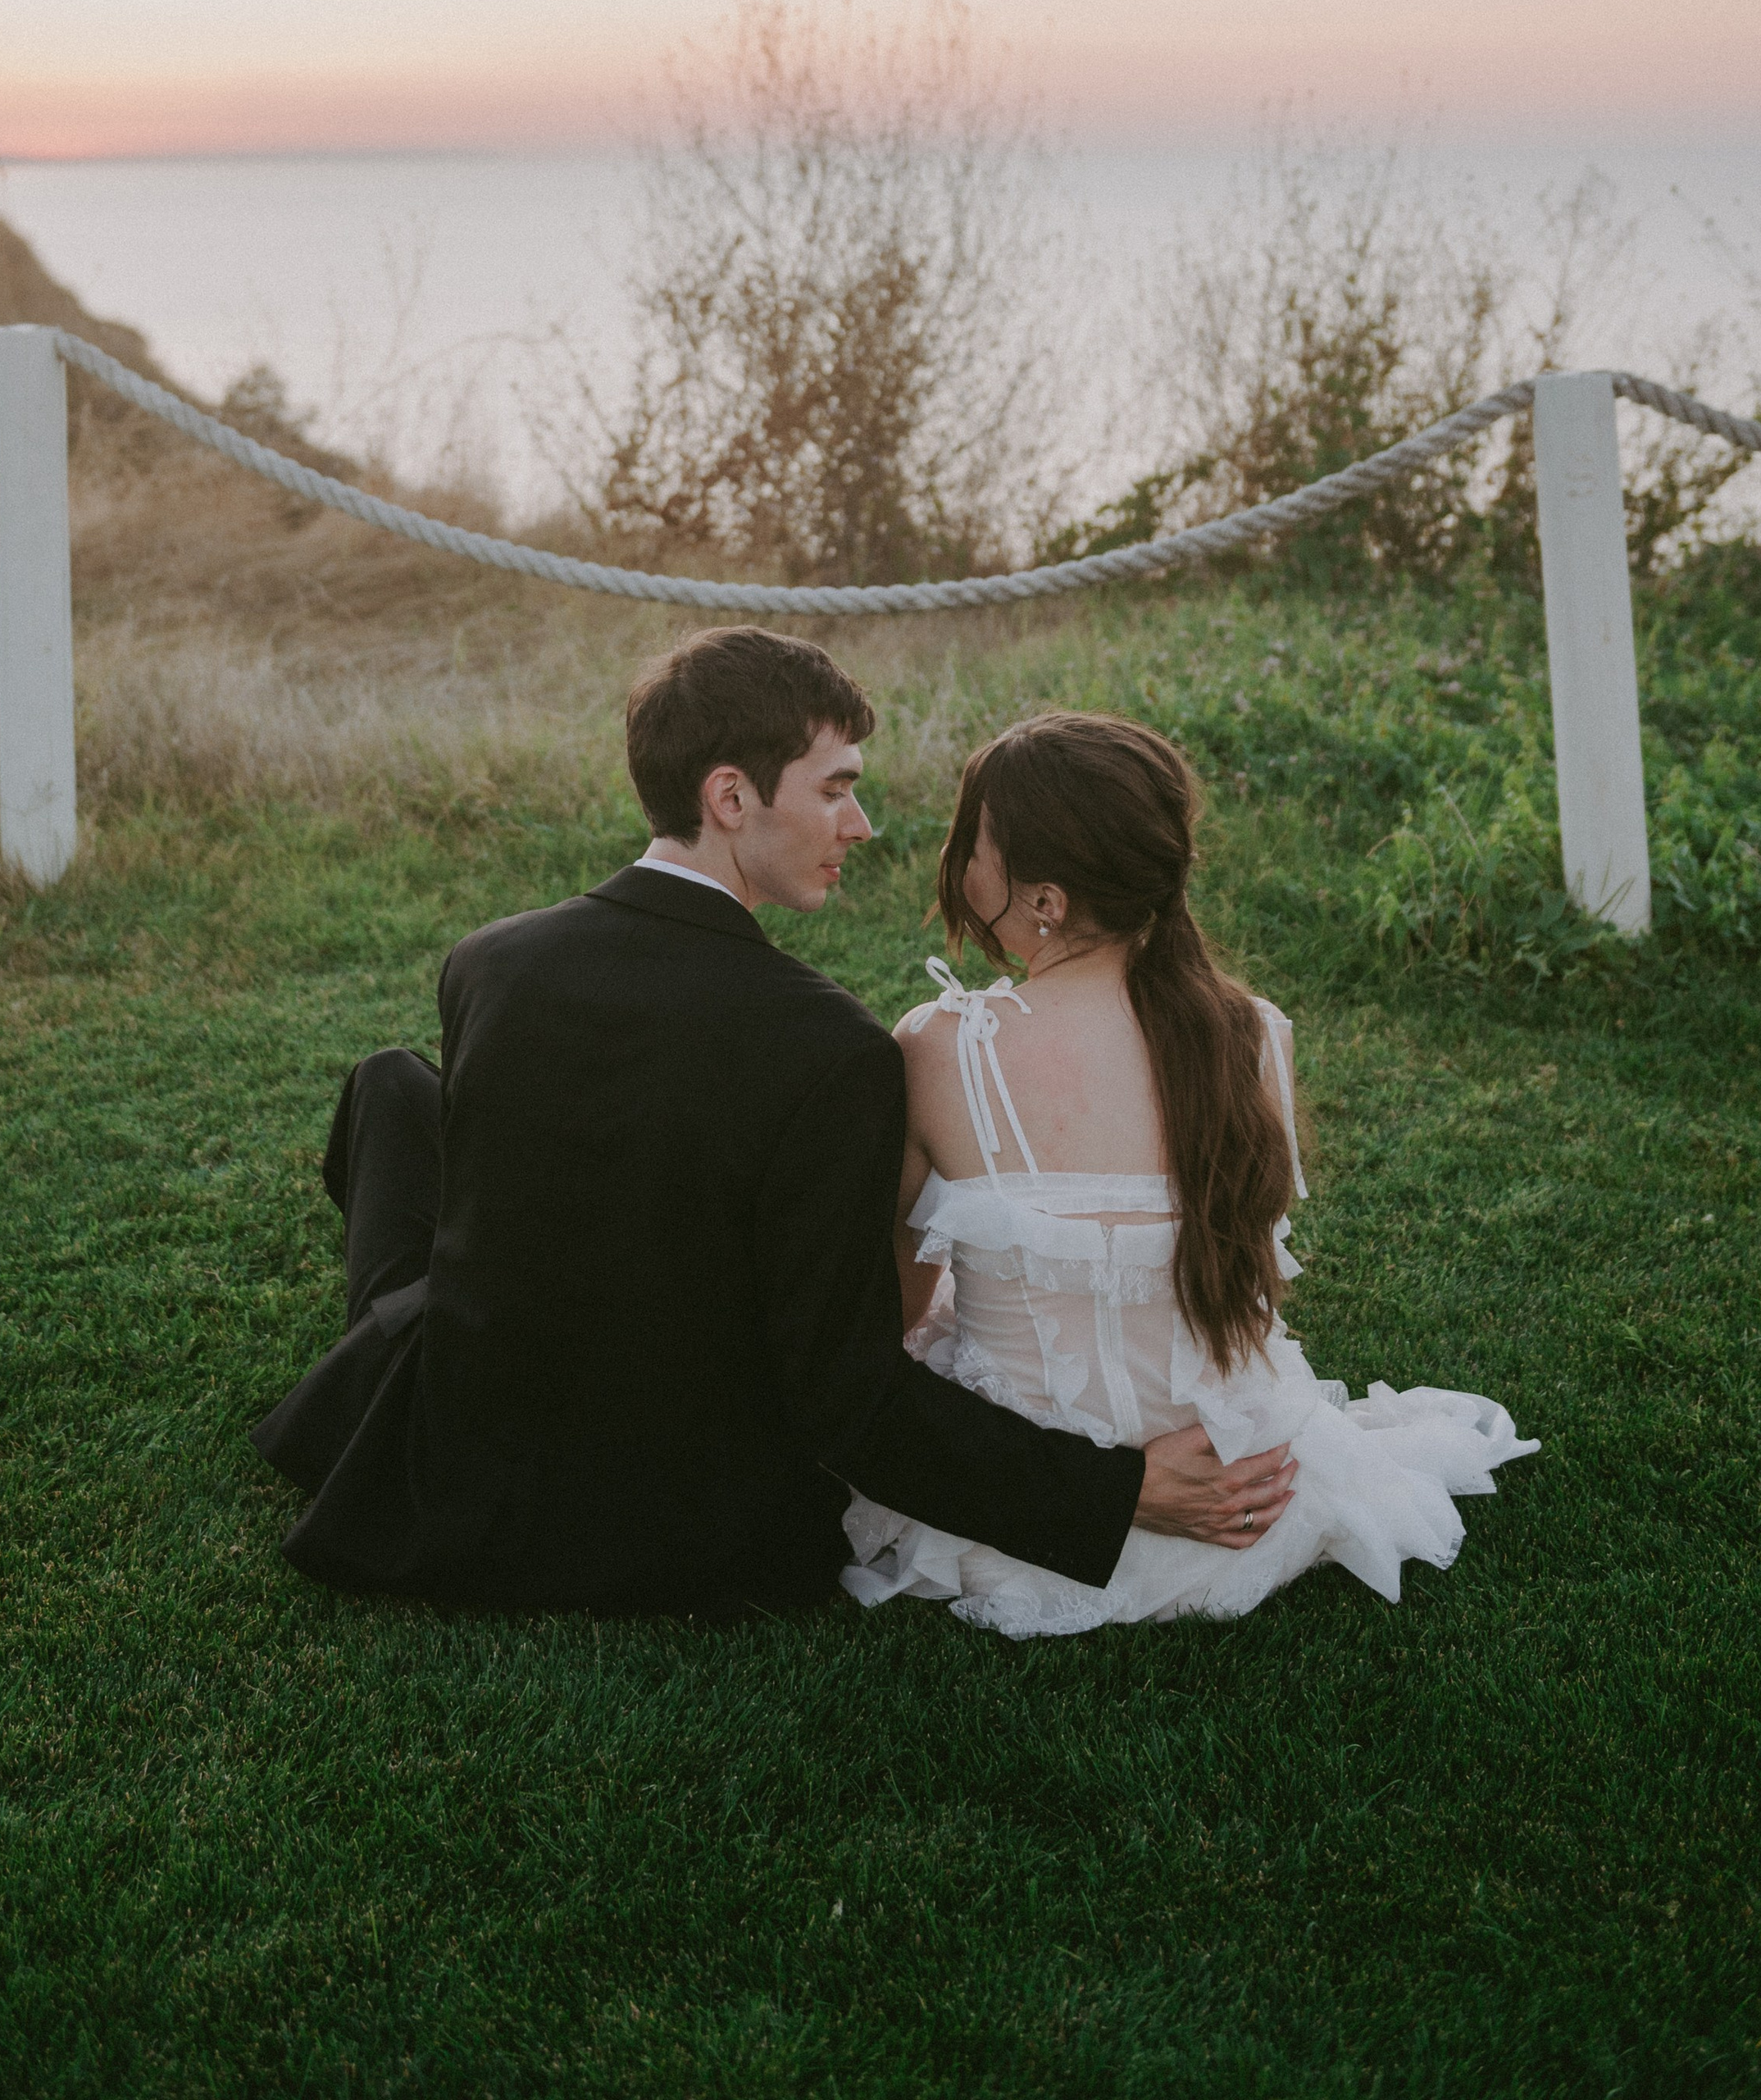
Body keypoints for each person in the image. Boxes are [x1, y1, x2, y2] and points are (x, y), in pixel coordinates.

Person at [253, 628, 1296, 1615]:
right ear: (730, 795)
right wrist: (1111, 1492)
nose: (861, 823)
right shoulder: (829, 1047)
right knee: (397, 1091)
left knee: (393, 1089)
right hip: (697, 1532)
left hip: (465, 1473)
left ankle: (382, 1346)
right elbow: (846, 1394)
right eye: (836, 787)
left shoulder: (489, 963)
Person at [842, 710, 1537, 1634]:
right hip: (1248, 1490)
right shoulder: (1252, 1032)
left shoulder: (939, 1046)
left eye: (973, 845)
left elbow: (890, 1301)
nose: (961, 868)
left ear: (1043, 898)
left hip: (1023, 1513)